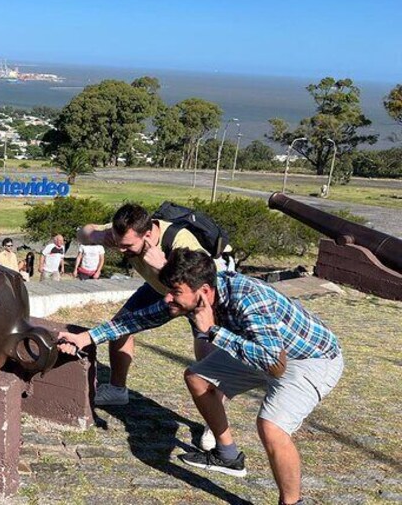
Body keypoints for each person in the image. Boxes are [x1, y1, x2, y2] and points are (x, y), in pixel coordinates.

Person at [58, 248, 342, 505]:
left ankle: (292, 503)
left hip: (309, 359)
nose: (168, 297)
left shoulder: (250, 300)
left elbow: (274, 364)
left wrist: (214, 332)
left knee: (271, 428)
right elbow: (140, 318)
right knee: (197, 377)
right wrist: (88, 337)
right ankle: (228, 456)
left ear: (204, 291)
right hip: (263, 349)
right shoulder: (193, 296)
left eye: (175, 292)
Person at [77, 203, 229, 418]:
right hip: (158, 289)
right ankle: (117, 390)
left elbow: (200, 283)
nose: (121, 251)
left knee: (207, 352)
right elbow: (81, 234)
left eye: (128, 246)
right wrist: (97, 235)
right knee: (119, 326)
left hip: (194, 295)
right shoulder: (123, 229)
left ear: (148, 234)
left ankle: (214, 419)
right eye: (119, 244)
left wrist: (163, 266)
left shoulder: (181, 240)